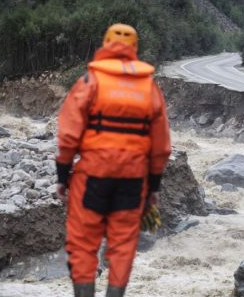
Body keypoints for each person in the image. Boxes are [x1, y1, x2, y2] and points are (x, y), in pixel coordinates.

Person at [55, 23, 171, 297]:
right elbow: (161, 146)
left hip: (92, 177)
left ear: (105, 44)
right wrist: (153, 187)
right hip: (133, 180)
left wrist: (62, 176)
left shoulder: (90, 81)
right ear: (135, 48)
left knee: (83, 244)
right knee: (123, 244)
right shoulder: (149, 87)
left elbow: (68, 136)